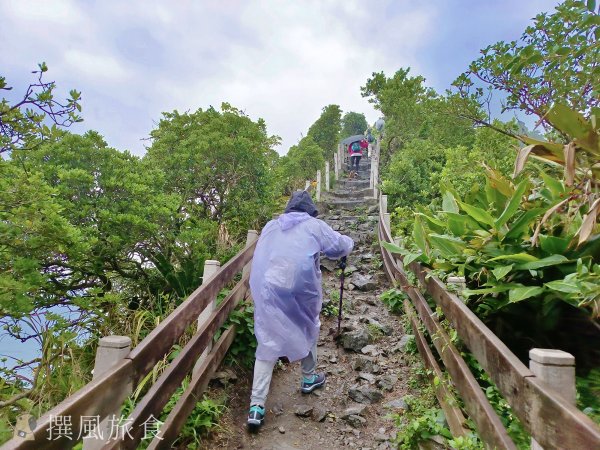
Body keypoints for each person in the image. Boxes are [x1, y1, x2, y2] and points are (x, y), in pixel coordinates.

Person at [247, 191, 354, 429]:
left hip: (270, 286)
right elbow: (338, 247)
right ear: (309, 210)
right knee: (308, 326)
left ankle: (256, 406)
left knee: (267, 340)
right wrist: (350, 243)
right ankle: (308, 378)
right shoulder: (314, 225)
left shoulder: (271, 226)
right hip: (301, 286)